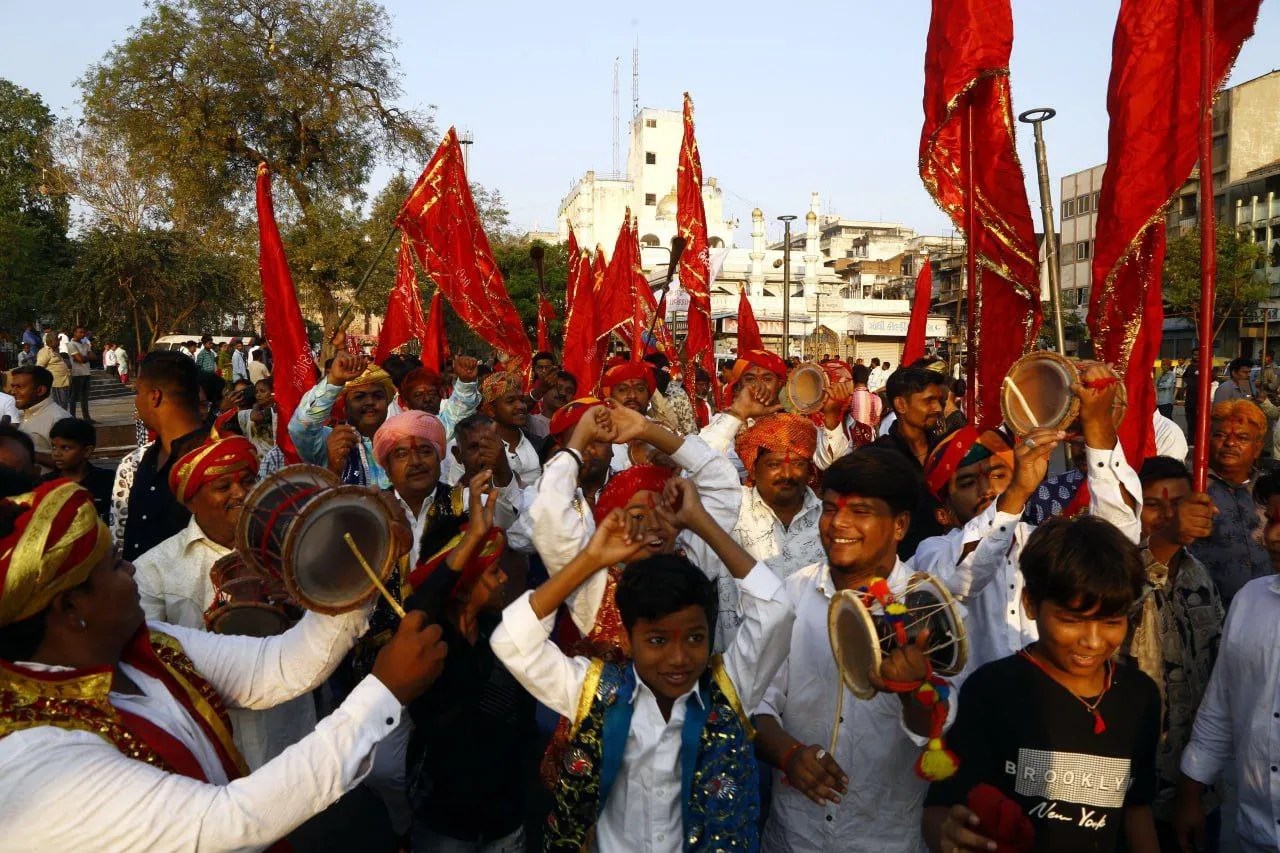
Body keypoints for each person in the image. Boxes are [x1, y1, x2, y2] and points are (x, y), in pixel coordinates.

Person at [0, 478, 449, 850]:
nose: (132, 571)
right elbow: (232, 821)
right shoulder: (34, 757)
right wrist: (383, 694)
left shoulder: (145, 647)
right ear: (68, 608)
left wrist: (358, 564)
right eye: (116, 566)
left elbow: (278, 667)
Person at [491, 478, 796, 852]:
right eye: (657, 641)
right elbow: (510, 641)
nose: (679, 658)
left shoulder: (729, 690)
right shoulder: (595, 691)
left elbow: (776, 609)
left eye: (695, 638)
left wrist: (700, 522)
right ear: (629, 640)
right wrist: (591, 559)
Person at [753, 449, 955, 853]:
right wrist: (789, 754)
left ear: (899, 525)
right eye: (829, 509)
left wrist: (914, 690)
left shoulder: (929, 610)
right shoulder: (791, 593)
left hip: (884, 840)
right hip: (794, 838)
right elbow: (756, 701)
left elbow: (934, 731)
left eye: (861, 511)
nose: (838, 524)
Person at [922, 515, 1160, 853]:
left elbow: (1137, 807)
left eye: (1110, 622)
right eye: (1071, 621)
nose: (1092, 641)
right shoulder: (992, 691)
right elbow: (939, 808)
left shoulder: (1139, 696)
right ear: (1031, 603)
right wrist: (946, 834)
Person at [133, 425, 317, 770]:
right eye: (223, 486)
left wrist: (299, 608)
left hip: (288, 732)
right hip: (211, 742)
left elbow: (325, 632)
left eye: (248, 481)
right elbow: (149, 662)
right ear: (190, 500)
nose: (241, 493)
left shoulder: (290, 550)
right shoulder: (154, 568)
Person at [939, 366, 1141, 671]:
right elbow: (963, 580)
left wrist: (1098, 429)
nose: (988, 489)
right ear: (943, 511)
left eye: (999, 475)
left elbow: (1117, 545)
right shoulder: (932, 554)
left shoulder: (1045, 544)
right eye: (967, 483)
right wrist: (1015, 493)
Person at [403, 476, 534, 852]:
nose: (505, 577)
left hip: (504, 817)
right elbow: (422, 604)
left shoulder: (502, 633)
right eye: (492, 571)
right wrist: (473, 537)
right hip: (445, 818)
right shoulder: (430, 642)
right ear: (461, 586)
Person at [1123, 456, 1224, 846]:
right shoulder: (1115, 572)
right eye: (1153, 504)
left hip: (1195, 785)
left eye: (1178, 504)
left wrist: (1194, 791)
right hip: (1132, 790)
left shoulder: (1200, 576)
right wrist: (1165, 541)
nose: (1167, 515)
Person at [112, 352, 209, 560]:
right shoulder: (137, 461)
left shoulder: (218, 458)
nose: (136, 402)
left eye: (137, 392)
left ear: (154, 396)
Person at [699, 349, 853, 481]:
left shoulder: (797, 425)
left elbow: (830, 464)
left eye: (767, 379)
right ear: (740, 385)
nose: (758, 386)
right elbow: (696, 461)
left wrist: (831, 417)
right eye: (750, 379)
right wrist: (738, 414)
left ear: (779, 384)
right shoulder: (724, 421)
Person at [1188, 399, 1271, 608]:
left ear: (1257, 448)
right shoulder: (1188, 488)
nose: (1230, 443)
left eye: (1242, 438)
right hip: (1205, 613)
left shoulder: (1269, 492)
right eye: (1220, 435)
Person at [729, 412, 824, 580]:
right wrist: (737, 411)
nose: (787, 474)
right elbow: (697, 465)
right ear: (753, 469)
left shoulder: (829, 519)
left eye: (797, 464)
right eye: (774, 465)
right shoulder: (732, 509)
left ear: (809, 470)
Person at [872, 366, 949, 558]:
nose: (938, 408)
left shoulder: (948, 449)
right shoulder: (878, 458)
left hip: (947, 564)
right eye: (928, 401)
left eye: (939, 400)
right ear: (901, 405)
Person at [43, 417, 113, 522]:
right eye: (53, 447)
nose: (56, 453)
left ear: (87, 451)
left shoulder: (109, 481)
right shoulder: (45, 484)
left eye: (65, 448)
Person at [478, 371, 541, 487]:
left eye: (521, 400)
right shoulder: (477, 449)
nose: (521, 406)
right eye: (510, 401)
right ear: (491, 410)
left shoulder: (540, 445)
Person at [9, 365, 71, 473]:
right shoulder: (23, 414)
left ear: (40, 390)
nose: (13, 392)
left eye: (19, 387)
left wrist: (24, 452)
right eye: (13, 386)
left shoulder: (58, 418)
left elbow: (70, 462)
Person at [35, 332, 70, 411]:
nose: (58, 343)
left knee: (63, 406)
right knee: (57, 407)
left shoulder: (55, 351)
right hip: (54, 384)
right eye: (56, 341)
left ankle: (62, 421)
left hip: (63, 383)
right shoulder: (44, 351)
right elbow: (39, 368)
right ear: (50, 342)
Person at [65, 326, 93, 421]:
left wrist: (83, 357)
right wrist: (85, 357)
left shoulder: (85, 344)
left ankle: (87, 418)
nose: (83, 334)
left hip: (86, 373)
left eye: (83, 332)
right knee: (74, 397)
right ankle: (72, 417)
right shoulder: (71, 344)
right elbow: (80, 359)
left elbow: (94, 357)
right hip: (77, 374)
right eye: (80, 332)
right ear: (74, 333)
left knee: (85, 398)